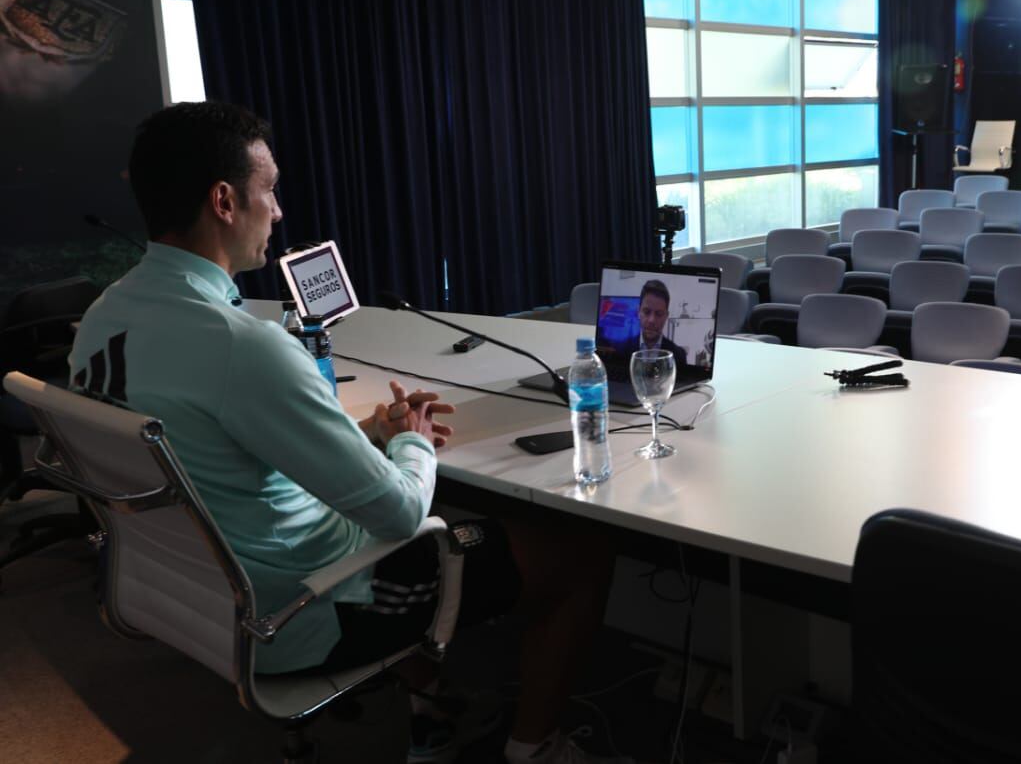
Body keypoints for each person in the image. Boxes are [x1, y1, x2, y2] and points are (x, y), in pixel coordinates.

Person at [68, 102, 629, 764]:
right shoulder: (241, 345)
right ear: (224, 200)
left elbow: (223, 447)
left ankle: (431, 713)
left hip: (197, 596)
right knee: (582, 549)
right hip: (304, 610)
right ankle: (534, 748)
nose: (277, 210)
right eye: (268, 190)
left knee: (410, 512)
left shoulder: (105, 317)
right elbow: (396, 511)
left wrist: (364, 431)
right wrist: (412, 438)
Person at [599, 279, 688, 373]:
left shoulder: (678, 355)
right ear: (638, 312)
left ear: (666, 316)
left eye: (659, 314)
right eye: (646, 312)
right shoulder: (620, 350)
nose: (651, 320)